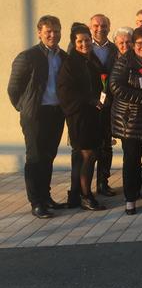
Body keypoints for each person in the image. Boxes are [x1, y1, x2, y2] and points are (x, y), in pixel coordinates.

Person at [8, 15, 68, 218]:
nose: (53, 35)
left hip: (56, 112)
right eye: (48, 31)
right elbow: (14, 88)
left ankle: (46, 196)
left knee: (49, 156)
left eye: (56, 31)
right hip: (36, 114)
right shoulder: (28, 56)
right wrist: (25, 108)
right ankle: (36, 202)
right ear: (40, 32)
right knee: (35, 157)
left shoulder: (63, 56)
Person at [110, 28, 142, 214]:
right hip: (131, 120)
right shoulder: (125, 62)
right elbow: (116, 86)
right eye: (139, 43)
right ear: (133, 44)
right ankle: (130, 198)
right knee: (132, 161)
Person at [57, 25, 106, 211]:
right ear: (73, 43)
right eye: (80, 41)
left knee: (85, 156)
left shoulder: (92, 59)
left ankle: (76, 195)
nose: (84, 44)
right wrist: (90, 100)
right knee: (88, 155)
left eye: (87, 40)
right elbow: (66, 92)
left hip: (94, 114)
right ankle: (86, 196)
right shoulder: (70, 64)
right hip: (79, 116)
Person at [89, 14, 118, 197]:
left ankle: (103, 182)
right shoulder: (83, 46)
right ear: (90, 27)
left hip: (109, 105)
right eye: (96, 25)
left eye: (104, 25)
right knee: (88, 147)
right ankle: (82, 187)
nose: (100, 28)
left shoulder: (114, 49)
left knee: (106, 146)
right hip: (89, 106)